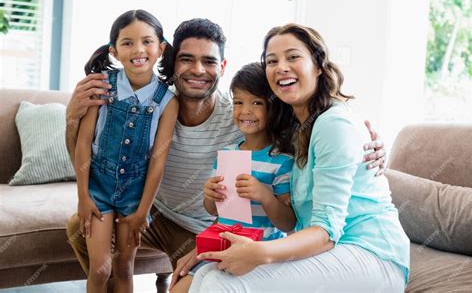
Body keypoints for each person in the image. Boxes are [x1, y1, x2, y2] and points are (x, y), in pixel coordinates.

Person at [65, 18, 387, 291]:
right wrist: (71, 119)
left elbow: (307, 124)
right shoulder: (156, 106)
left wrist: (368, 141)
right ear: (171, 62)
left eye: (208, 61)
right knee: (81, 228)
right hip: (153, 213)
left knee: (197, 283)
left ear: (222, 66)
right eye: (187, 59)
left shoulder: (241, 115)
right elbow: (92, 152)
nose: (197, 70)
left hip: (200, 227)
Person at [189, 24, 410, 292]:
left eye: (293, 57)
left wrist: (259, 252)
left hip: (371, 253)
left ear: (318, 65)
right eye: (272, 61)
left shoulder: (333, 124)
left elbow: (326, 232)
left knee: (221, 283)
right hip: (332, 248)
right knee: (206, 276)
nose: (281, 67)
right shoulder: (296, 126)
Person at [73, 9, 178, 292]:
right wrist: (83, 196)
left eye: (147, 41)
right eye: (128, 43)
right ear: (115, 51)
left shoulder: (167, 101)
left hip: (135, 193)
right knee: (100, 268)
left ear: (161, 48)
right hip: (98, 188)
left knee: (124, 267)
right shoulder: (102, 86)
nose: (138, 49)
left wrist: (143, 210)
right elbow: (83, 142)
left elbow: (158, 160)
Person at [171, 62, 296, 292]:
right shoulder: (227, 154)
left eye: (256, 103)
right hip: (220, 247)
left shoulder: (281, 161)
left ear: (274, 108)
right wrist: (209, 194)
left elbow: (288, 222)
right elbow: (213, 211)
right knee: (177, 288)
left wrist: (265, 196)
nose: (245, 111)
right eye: (238, 102)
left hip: (257, 257)